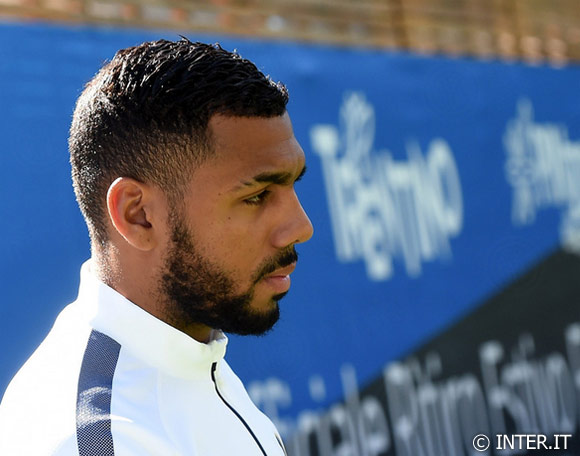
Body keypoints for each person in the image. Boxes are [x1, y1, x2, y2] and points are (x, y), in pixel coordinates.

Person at [0, 38, 313, 455]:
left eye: (293, 184)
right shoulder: (101, 440)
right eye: (257, 196)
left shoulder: (188, 358)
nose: (301, 228)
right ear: (138, 215)